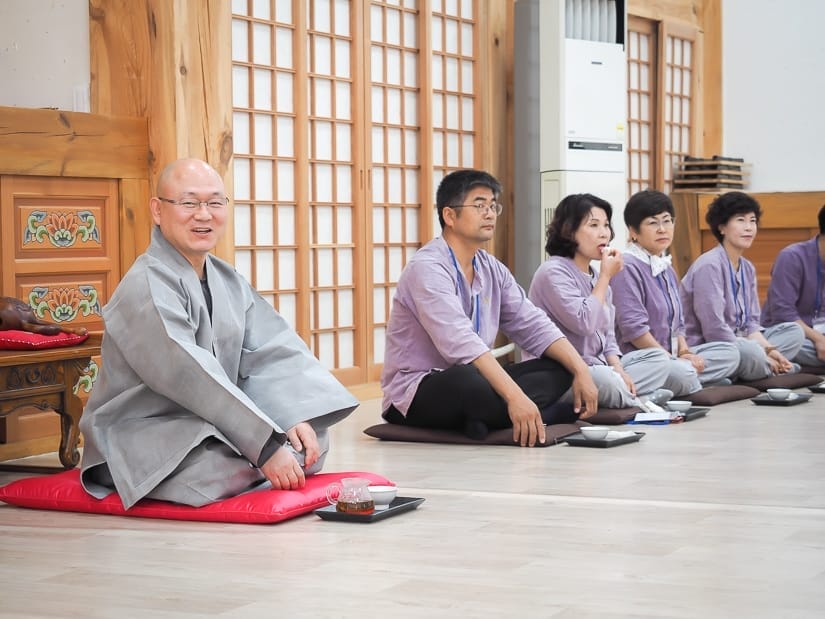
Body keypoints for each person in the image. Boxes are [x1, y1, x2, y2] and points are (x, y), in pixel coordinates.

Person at [79, 159, 358, 509]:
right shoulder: (145, 286)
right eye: (189, 203)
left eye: (214, 202)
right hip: (143, 431)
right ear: (157, 210)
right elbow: (187, 373)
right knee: (216, 466)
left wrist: (289, 417)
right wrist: (266, 446)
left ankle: (257, 458)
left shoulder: (227, 279)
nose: (203, 214)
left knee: (312, 438)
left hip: (209, 423)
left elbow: (268, 353)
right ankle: (257, 460)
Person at [380, 169, 598, 447]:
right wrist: (515, 396)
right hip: (418, 391)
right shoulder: (428, 268)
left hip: (478, 380)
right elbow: (460, 343)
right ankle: (527, 412)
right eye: (480, 205)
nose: (490, 213)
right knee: (467, 380)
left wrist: (581, 370)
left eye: (494, 206)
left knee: (559, 367)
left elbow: (533, 324)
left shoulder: (491, 267)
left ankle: (485, 419)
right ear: (450, 216)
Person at [527, 193, 672, 409]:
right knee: (606, 381)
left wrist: (620, 370)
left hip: (600, 365)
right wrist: (605, 278)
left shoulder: (596, 274)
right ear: (569, 230)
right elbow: (584, 323)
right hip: (563, 371)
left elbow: (608, 336)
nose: (604, 233)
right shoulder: (553, 272)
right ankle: (641, 400)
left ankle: (629, 396)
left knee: (659, 360)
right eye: (594, 225)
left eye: (606, 225)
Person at [610, 190, 740, 394]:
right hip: (644, 360)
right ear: (633, 231)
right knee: (682, 373)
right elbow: (635, 331)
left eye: (667, 221)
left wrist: (686, 352)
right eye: (653, 223)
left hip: (672, 357)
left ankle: (687, 382)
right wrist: (673, 360)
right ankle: (691, 383)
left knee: (731, 353)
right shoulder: (626, 267)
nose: (662, 229)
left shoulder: (666, 267)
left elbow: (678, 326)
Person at [680, 191, 805, 381]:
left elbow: (751, 324)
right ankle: (767, 369)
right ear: (722, 227)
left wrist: (769, 350)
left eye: (752, 221)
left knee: (794, 332)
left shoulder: (747, 268)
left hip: (742, 343)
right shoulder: (709, 266)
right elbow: (714, 329)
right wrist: (759, 352)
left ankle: (762, 367)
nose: (749, 228)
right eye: (740, 220)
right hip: (710, 346)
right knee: (747, 352)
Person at [761, 204, 825, 370]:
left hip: (819, 334)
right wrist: (818, 339)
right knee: (792, 340)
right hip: (788, 333)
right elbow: (783, 314)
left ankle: (788, 365)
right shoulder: (792, 257)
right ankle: (781, 362)